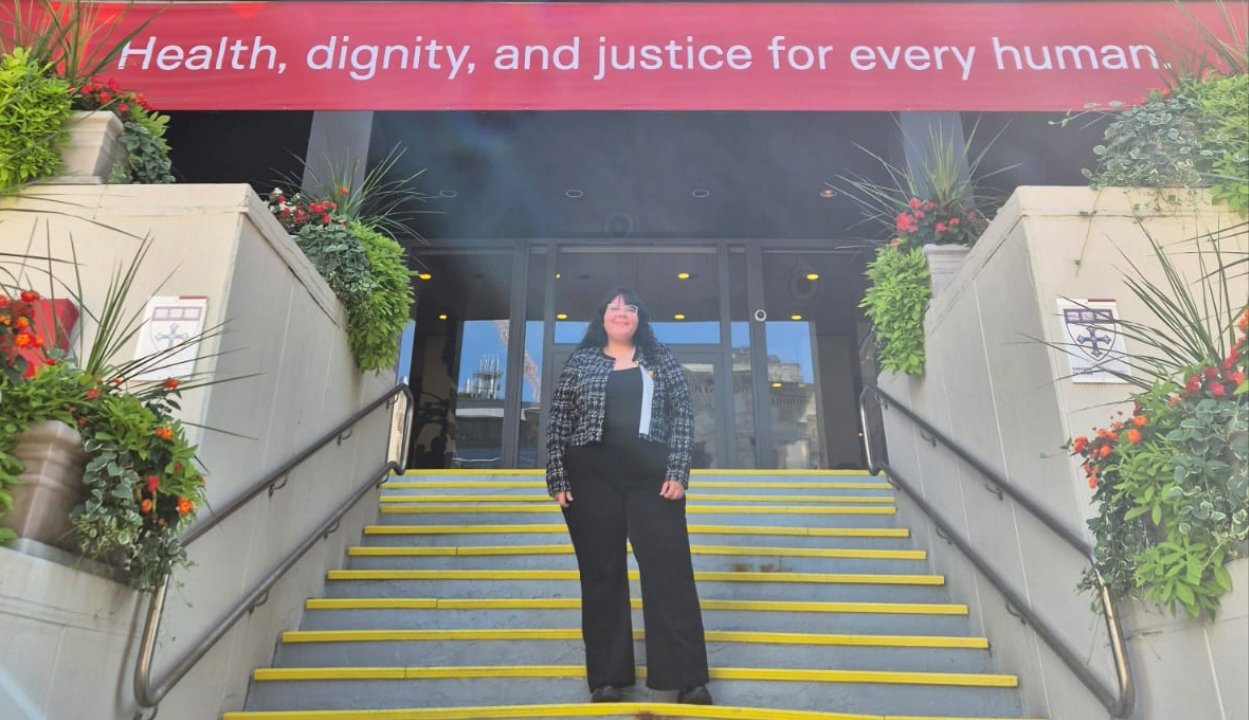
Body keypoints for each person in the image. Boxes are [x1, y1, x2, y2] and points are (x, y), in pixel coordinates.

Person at [546, 287, 713, 705]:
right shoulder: (581, 362)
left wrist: (678, 471)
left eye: (630, 308)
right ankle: (608, 677)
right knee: (601, 574)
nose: (621, 313)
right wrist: (557, 475)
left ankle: (688, 678)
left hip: (651, 477)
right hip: (590, 476)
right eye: (614, 307)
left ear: (640, 318)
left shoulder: (660, 359)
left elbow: (683, 415)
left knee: (669, 570)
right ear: (601, 316)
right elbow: (559, 420)